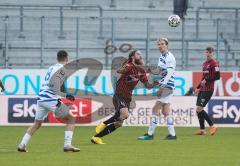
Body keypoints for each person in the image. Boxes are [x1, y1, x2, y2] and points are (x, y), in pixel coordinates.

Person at [91, 49, 159, 144]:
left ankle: (96, 138)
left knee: (119, 123)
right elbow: (120, 70)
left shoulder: (141, 71)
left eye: (141, 54)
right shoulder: (128, 65)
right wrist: (125, 69)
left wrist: (154, 84)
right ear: (133, 57)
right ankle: (104, 123)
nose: (141, 56)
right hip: (119, 94)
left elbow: (147, 86)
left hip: (127, 98)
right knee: (125, 114)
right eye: (138, 54)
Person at [18, 50, 80, 152]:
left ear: (57, 58)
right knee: (71, 119)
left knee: (37, 124)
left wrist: (65, 93)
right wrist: (66, 94)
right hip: (50, 99)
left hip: (41, 98)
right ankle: (67, 145)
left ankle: (22, 145)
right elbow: (56, 84)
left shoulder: (52, 67)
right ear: (67, 58)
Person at [137, 37, 177, 140]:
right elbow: (159, 71)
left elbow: (169, 73)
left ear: (167, 45)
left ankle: (150, 134)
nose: (160, 46)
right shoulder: (161, 57)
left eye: (162, 44)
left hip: (168, 86)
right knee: (166, 111)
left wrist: (162, 86)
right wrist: (150, 70)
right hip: (166, 85)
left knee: (155, 109)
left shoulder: (170, 57)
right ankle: (172, 135)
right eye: (159, 44)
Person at [194, 47, 220, 135]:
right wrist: (198, 87)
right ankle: (202, 130)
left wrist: (207, 80)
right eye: (206, 52)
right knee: (198, 109)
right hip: (202, 89)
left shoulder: (215, 63)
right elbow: (203, 77)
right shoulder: (204, 64)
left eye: (209, 52)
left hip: (208, 89)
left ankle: (212, 126)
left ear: (212, 53)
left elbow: (217, 76)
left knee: (199, 108)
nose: (207, 54)